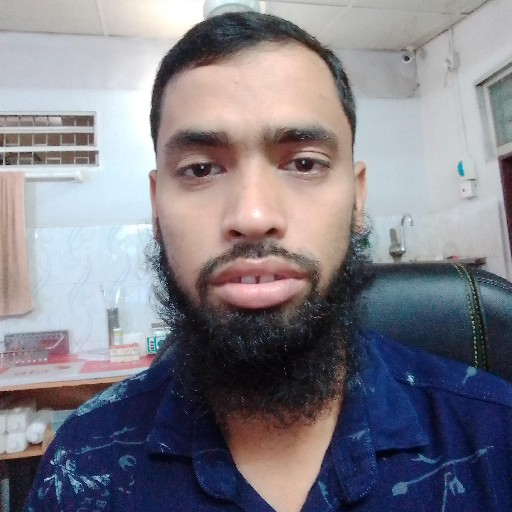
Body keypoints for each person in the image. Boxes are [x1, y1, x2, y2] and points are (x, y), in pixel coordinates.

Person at [25, 12, 512, 512]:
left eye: (304, 163)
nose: (253, 217)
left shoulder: (497, 438)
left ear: (357, 198)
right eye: (200, 169)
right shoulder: (82, 467)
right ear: (156, 206)